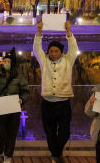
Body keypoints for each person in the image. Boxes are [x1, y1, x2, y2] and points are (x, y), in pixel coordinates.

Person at [33, 21, 78, 163]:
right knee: (50, 132)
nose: (53, 53)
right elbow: (36, 49)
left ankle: (56, 153)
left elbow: (73, 48)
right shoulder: (44, 61)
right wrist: (39, 32)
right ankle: (56, 156)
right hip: (47, 103)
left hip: (64, 102)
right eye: (51, 51)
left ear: (61, 52)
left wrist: (68, 32)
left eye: (56, 51)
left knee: (65, 132)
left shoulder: (68, 60)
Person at [0, 48, 29, 163]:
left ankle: (8, 156)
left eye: (8, 61)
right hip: (2, 106)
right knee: (0, 133)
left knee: (12, 133)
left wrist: (22, 99)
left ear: (13, 63)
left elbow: (26, 90)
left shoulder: (18, 76)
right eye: (4, 61)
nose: (6, 63)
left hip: (14, 108)